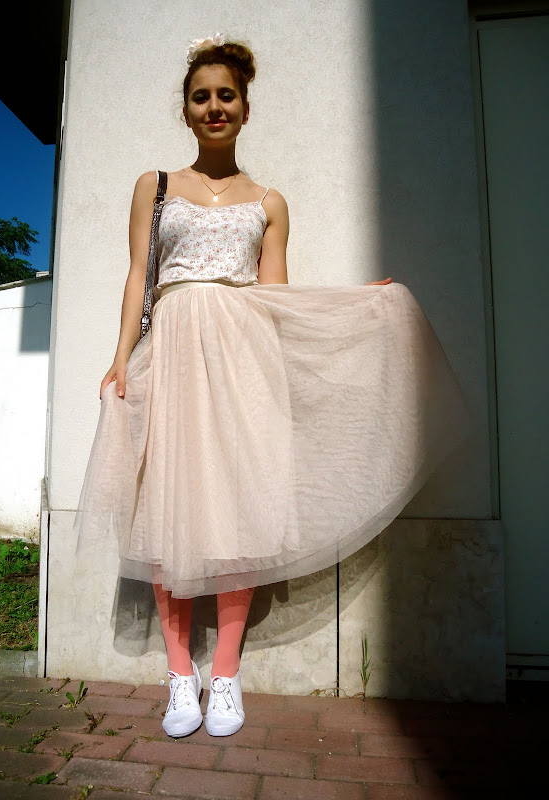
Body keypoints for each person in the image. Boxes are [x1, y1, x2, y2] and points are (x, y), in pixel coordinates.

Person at [73, 35, 471, 740]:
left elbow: (275, 298)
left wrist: (354, 303)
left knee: (240, 514)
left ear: (245, 107)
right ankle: (180, 673)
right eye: (201, 96)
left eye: (226, 95)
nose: (214, 106)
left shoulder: (269, 201)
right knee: (163, 510)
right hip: (172, 353)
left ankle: (225, 673)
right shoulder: (154, 186)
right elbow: (139, 277)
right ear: (185, 110)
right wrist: (119, 358)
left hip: (243, 361)